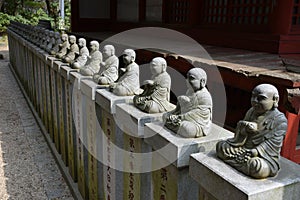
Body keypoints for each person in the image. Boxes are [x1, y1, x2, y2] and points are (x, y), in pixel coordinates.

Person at [216, 84, 287, 179]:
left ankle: (245, 164)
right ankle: (243, 164)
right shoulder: (251, 111)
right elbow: (239, 134)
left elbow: (273, 143)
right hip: (243, 148)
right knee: (221, 146)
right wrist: (244, 128)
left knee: (257, 167)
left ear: (275, 99)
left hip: (262, 155)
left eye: (261, 98)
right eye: (253, 96)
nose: (255, 101)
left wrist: (255, 151)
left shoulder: (280, 120)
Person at [164, 68, 212, 138]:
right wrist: (181, 102)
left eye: (192, 78)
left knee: (188, 130)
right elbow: (184, 107)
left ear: (202, 81)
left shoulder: (205, 96)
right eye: (187, 78)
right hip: (184, 117)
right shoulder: (189, 91)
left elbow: (199, 113)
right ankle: (176, 124)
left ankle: (176, 125)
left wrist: (180, 117)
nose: (187, 81)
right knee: (165, 116)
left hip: (198, 123)